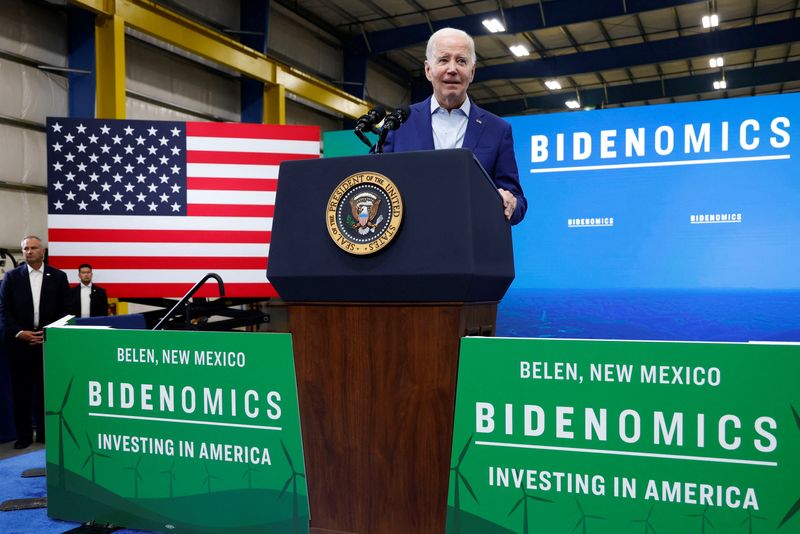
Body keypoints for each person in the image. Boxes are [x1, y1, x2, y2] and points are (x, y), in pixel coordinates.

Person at [381, 27, 527, 225]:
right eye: (443, 60)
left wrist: (510, 203)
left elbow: (517, 200)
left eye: (461, 61)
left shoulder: (498, 130)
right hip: (411, 247)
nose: (452, 69)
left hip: (472, 248)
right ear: (428, 70)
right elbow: (375, 183)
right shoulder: (399, 124)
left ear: (472, 71)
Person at [0, 236, 70, 449]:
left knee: (45, 390)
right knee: (21, 392)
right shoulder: (12, 277)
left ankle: (43, 433)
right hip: (20, 343)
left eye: (33, 248)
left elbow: (65, 310)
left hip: (48, 342)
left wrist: (50, 333)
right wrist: (20, 332)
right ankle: (23, 436)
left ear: (43, 251)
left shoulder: (58, 277)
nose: (29, 251)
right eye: (25, 248)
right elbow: (3, 310)